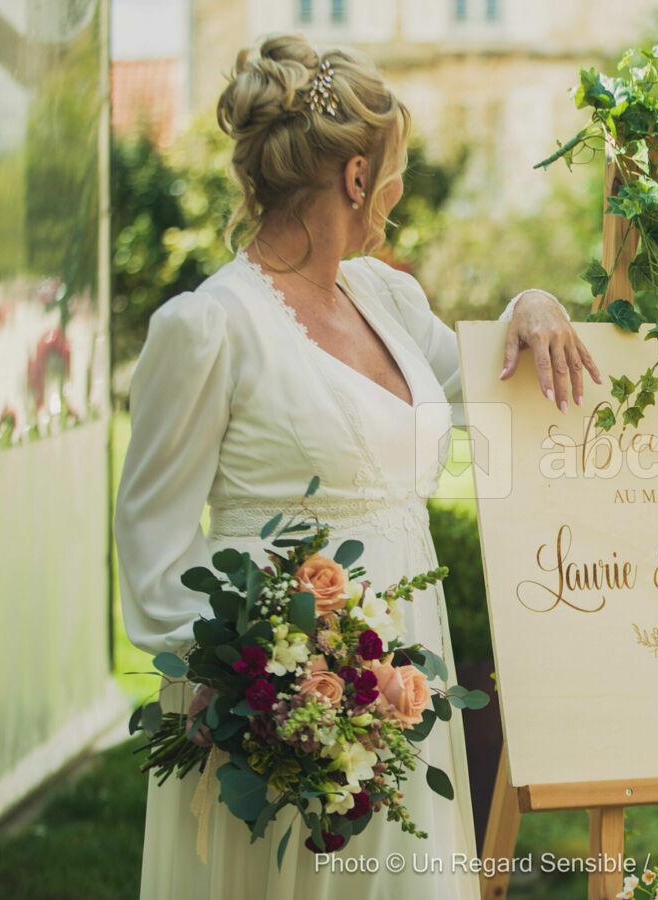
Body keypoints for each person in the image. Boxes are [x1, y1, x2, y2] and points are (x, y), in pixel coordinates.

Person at [114, 35, 599, 899]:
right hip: (285, 724)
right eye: (395, 170)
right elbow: (151, 556)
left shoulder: (387, 296)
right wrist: (270, 681)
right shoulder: (208, 327)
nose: (399, 191)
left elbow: (488, 381)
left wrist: (532, 305)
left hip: (409, 682)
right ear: (354, 177)